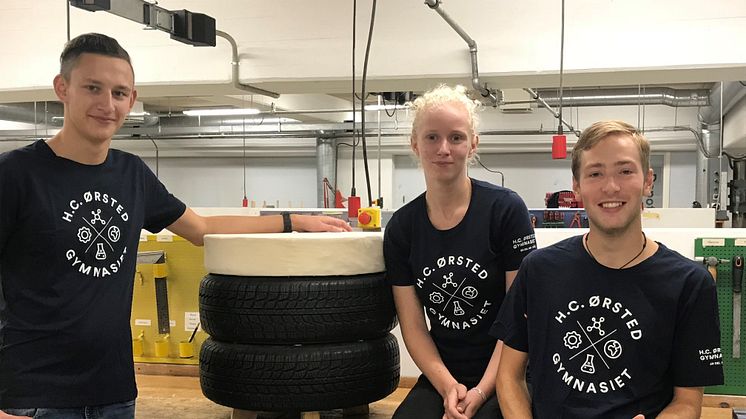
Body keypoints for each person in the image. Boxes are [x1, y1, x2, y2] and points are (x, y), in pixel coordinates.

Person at [0, 33, 351, 419]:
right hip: (31, 397)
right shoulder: (16, 175)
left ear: (132, 100)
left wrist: (292, 221)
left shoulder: (130, 174)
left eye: (119, 93)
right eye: (93, 88)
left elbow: (200, 229)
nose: (107, 104)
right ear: (62, 88)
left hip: (113, 393)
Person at [492, 120, 724, 419]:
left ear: (648, 180)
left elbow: (688, 402)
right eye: (595, 173)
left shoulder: (690, 284)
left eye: (625, 171)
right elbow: (509, 377)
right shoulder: (538, 271)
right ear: (576, 185)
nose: (611, 186)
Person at [383, 84, 536, 419]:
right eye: (431, 137)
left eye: (455, 137)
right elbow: (414, 327)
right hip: (444, 372)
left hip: (509, 369)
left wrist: (481, 392)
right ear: (414, 144)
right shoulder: (402, 228)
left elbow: (518, 319)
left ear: (473, 144)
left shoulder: (506, 211)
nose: (443, 149)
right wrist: (447, 386)